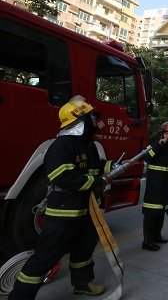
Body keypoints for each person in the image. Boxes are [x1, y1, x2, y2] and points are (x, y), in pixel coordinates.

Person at [9, 96, 112, 299]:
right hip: (64, 212)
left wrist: (111, 167)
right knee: (46, 256)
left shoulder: (89, 146)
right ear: (79, 120)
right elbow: (64, 177)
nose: (95, 121)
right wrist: (96, 182)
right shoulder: (61, 146)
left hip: (86, 210)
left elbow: (95, 168)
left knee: (83, 249)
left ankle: (82, 283)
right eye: (91, 117)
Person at [141, 121, 168, 251]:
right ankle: (147, 242)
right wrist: (158, 145)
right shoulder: (155, 145)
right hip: (154, 185)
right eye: (166, 133)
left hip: (167, 185)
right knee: (151, 213)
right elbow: (147, 157)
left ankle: (157, 236)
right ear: (162, 134)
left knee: (161, 211)